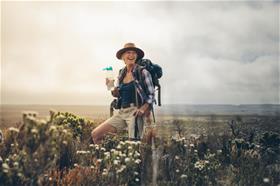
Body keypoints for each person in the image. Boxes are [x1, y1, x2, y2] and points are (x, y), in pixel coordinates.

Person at [91, 43, 155, 144]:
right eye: (128, 52)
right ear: (122, 57)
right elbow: (118, 95)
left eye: (134, 53)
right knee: (96, 135)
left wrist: (143, 109)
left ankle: (135, 160)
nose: (131, 55)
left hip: (135, 113)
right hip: (122, 112)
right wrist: (112, 89)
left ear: (137, 56)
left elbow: (151, 95)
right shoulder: (122, 73)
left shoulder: (143, 72)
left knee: (133, 146)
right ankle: (103, 159)